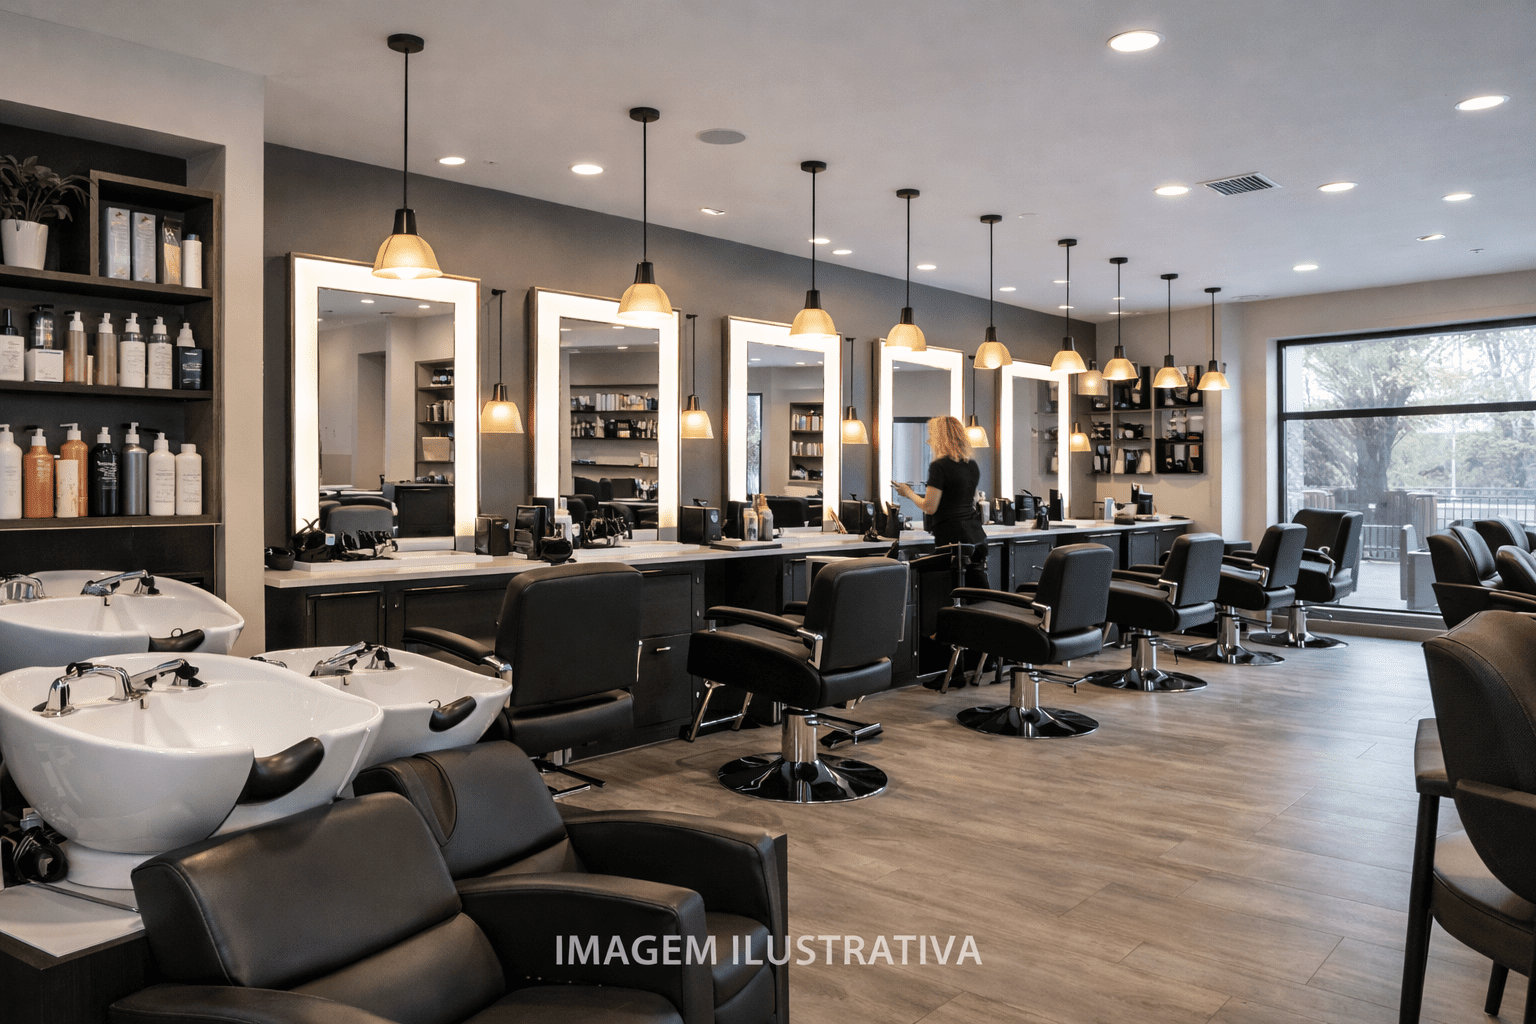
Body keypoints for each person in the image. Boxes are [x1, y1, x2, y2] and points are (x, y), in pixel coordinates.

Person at [893, 415, 989, 589]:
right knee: (976, 591)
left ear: (941, 438)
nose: (928, 441)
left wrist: (908, 493)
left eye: (932, 435)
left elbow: (929, 507)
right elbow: (971, 499)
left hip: (954, 541)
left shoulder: (939, 466)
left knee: (947, 589)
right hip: (977, 538)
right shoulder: (971, 465)